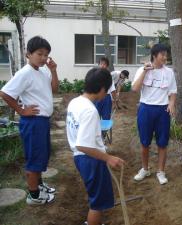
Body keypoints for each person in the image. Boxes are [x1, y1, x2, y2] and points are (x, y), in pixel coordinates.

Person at [0, 36, 59, 205]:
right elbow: (5, 93)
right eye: (39, 54)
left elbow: (55, 89)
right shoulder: (25, 73)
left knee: (41, 156)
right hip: (33, 122)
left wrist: (54, 70)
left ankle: (39, 186)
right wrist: (21, 110)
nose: (43, 58)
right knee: (34, 158)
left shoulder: (42, 71)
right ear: (28, 54)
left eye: (46, 55)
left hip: (41, 122)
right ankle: (34, 196)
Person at [66, 68, 124, 225]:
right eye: (107, 90)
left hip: (80, 158)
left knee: (95, 196)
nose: (106, 94)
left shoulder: (75, 102)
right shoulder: (90, 111)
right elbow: (83, 145)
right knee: (97, 203)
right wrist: (108, 158)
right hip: (91, 159)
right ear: (102, 89)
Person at [132, 43, 177, 185]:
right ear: (154, 56)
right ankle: (145, 169)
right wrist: (145, 72)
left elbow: (173, 92)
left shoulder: (169, 72)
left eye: (166, 54)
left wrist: (171, 104)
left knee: (162, 143)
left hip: (162, 110)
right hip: (145, 109)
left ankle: (161, 171)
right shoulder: (142, 69)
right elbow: (134, 88)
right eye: (162, 54)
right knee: (145, 142)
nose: (165, 57)